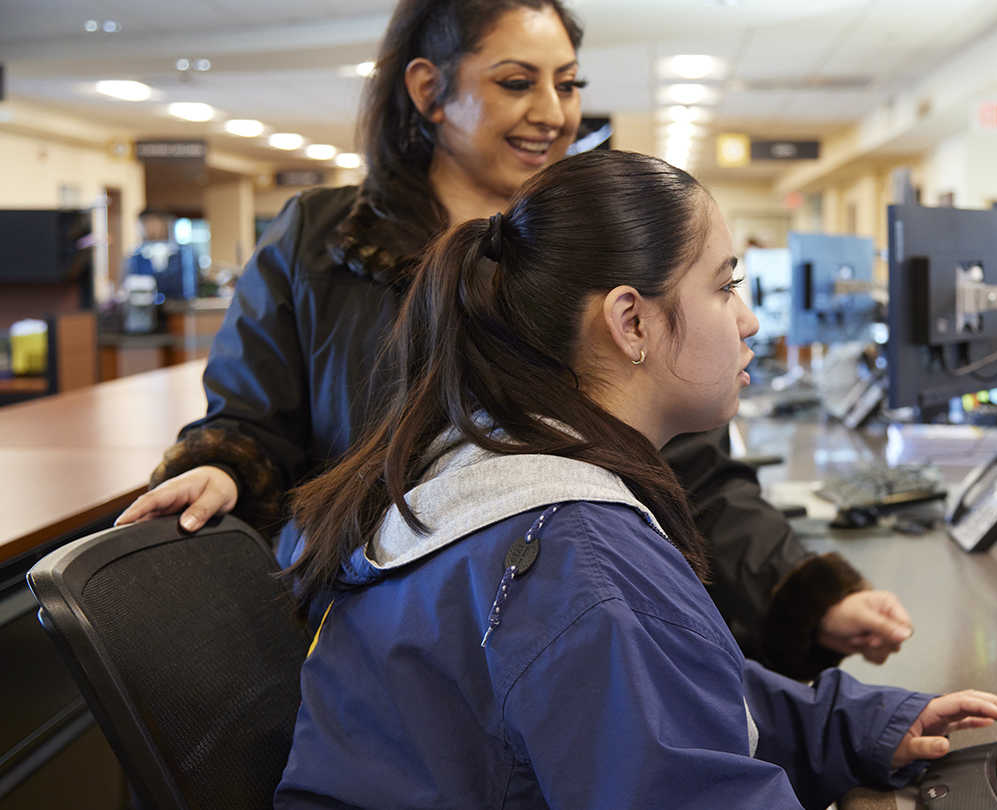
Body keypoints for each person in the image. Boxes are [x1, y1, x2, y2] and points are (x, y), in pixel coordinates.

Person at [115, 0, 911, 681]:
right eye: (516, 82)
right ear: (430, 90)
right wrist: (220, 466)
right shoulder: (319, 240)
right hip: (382, 644)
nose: (555, 112)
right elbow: (253, 418)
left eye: (567, 84)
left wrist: (806, 592)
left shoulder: (582, 252)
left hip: (556, 629)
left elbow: (687, 468)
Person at [273, 150, 997, 809]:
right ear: (631, 322)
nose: (750, 320)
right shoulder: (578, 555)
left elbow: (669, 690)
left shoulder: (488, 465)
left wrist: (856, 728)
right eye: (725, 288)